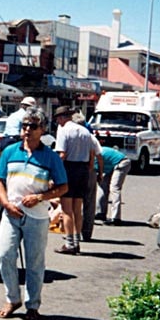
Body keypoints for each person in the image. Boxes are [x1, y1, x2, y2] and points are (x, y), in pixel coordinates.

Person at [0, 107, 68, 320]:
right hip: (11, 213)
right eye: (24, 126)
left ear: (42, 130)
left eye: (32, 126)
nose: (27, 130)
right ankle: (12, 298)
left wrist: (40, 197)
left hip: (36, 216)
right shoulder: (10, 152)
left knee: (34, 262)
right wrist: (5, 203)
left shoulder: (50, 157)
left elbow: (63, 187)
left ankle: (32, 305)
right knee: (5, 255)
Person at [53, 105, 96, 255]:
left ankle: (69, 243)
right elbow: (92, 154)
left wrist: (56, 172)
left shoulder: (64, 131)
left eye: (58, 118)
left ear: (63, 117)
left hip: (69, 168)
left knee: (66, 209)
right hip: (83, 169)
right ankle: (77, 241)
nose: (58, 122)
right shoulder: (85, 131)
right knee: (78, 208)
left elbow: (62, 155)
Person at [72, 112, 103, 241]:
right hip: (89, 171)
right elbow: (99, 156)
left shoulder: (69, 135)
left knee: (74, 203)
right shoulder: (90, 137)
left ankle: (73, 233)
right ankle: (87, 232)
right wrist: (100, 173)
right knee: (89, 203)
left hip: (74, 170)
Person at [95, 146, 132, 225]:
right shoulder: (92, 152)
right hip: (112, 164)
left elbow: (93, 171)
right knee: (102, 185)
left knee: (114, 188)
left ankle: (115, 218)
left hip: (122, 162)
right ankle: (100, 213)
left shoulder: (93, 155)